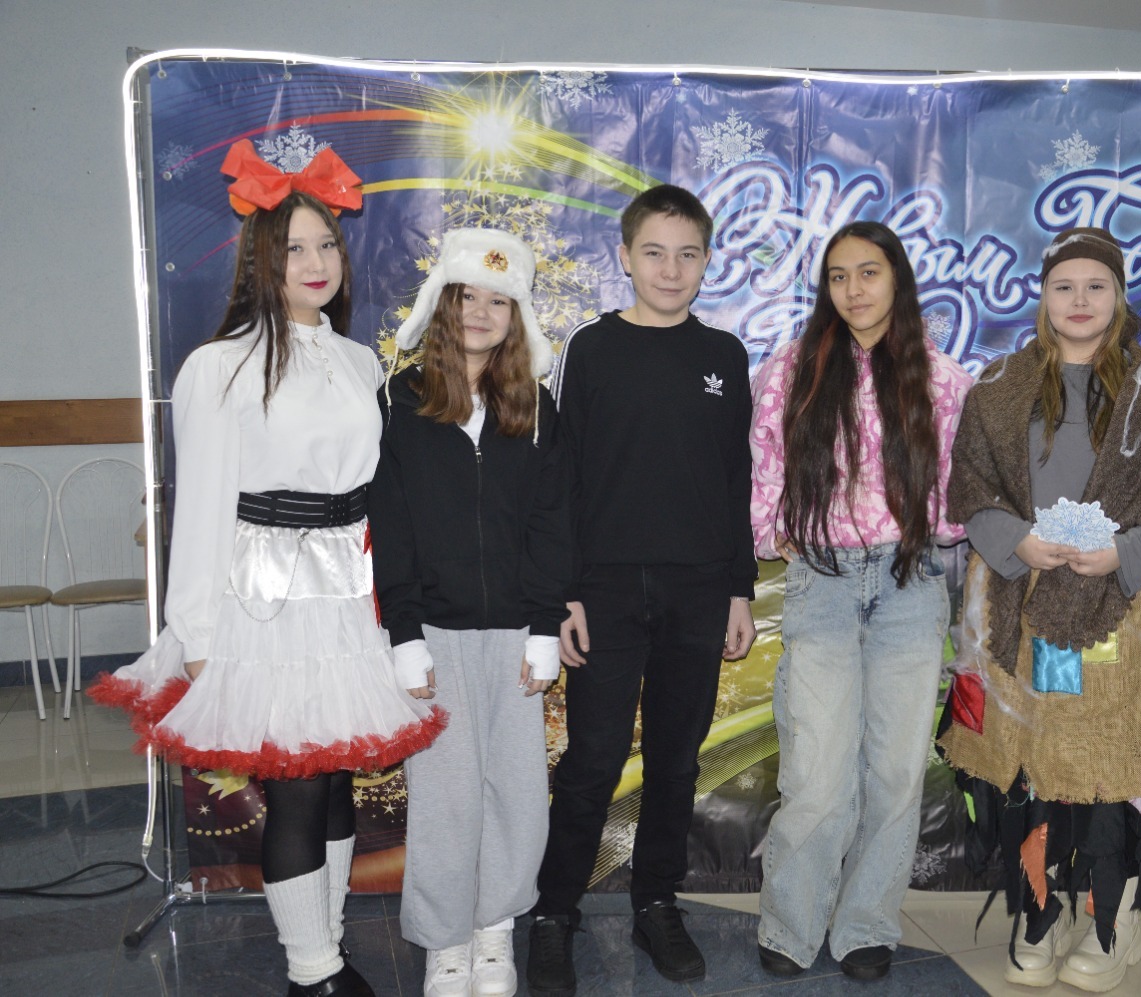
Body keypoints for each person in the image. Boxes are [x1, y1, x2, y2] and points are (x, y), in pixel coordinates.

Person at [90, 140, 446, 997]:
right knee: (296, 787)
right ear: (261, 260)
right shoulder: (219, 365)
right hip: (265, 599)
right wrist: (197, 633)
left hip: (347, 594)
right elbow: (203, 505)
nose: (315, 262)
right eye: (294, 248)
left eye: (327, 244)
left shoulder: (360, 360)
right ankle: (311, 969)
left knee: (336, 782)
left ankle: (329, 942)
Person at [936, 227, 1141, 993]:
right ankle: (1041, 913)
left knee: (1117, 759)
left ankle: (1111, 915)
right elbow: (971, 489)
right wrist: (1016, 542)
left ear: (1118, 296)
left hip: (1127, 612)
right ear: (1043, 295)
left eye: (1095, 286)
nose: (1079, 299)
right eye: (1063, 285)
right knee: (1040, 758)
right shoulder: (1000, 385)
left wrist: (1123, 554)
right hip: (1026, 606)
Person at [524, 184, 756, 997]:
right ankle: (554, 912)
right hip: (606, 591)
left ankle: (657, 901)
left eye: (687, 254)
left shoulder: (724, 354)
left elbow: (735, 477)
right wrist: (565, 593)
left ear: (707, 261)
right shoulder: (591, 348)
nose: (670, 268)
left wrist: (739, 589)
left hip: (700, 591)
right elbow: (563, 476)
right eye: (654, 252)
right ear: (624, 257)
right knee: (590, 761)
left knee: (675, 762)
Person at [748, 220, 973, 981]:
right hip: (824, 580)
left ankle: (866, 922)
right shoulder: (793, 370)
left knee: (896, 773)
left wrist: (933, 526)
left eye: (868, 272)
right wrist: (773, 531)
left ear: (897, 279)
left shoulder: (942, 379)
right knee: (815, 772)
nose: (853, 289)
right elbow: (765, 462)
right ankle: (790, 922)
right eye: (838, 276)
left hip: (911, 581)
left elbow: (961, 491)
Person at [368, 228, 570, 997]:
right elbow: (391, 523)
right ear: (441, 305)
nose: (481, 312)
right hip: (437, 634)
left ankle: (494, 930)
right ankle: (445, 940)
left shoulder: (536, 406)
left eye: (499, 300)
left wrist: (546, 625)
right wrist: (405, 633)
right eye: (467, 297)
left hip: (516, 632)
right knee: (446, 797)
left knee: (516, 795)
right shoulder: (401, 400)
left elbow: (553, 521)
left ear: (517, 315)